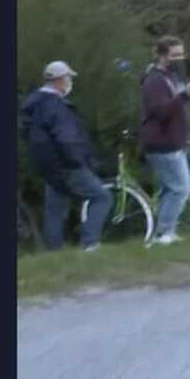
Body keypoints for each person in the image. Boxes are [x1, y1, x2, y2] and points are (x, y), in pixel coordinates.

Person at [20, 61, 112, 252]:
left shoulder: (35, 105)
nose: (70, 82)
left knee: (55, 211)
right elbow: (66, 138)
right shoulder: (55, 106)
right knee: (102, 197)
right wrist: (80, 163)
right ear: (59, 80)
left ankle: (54, 253)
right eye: (68, 78)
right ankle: (90, 243)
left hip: (49, 168)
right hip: (67, 165)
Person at [140, 36, 190, 245]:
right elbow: (160, 111)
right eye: (175, 55)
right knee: (181, 188)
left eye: (181, 54)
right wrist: (186, 95)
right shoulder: (154, 81)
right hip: (162, 142)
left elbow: (177, 107)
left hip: (174, 140)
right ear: (162, 55)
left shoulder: (172, 77)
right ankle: (163, 234)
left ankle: (166, 231)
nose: (179, 59)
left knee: (170, 189)